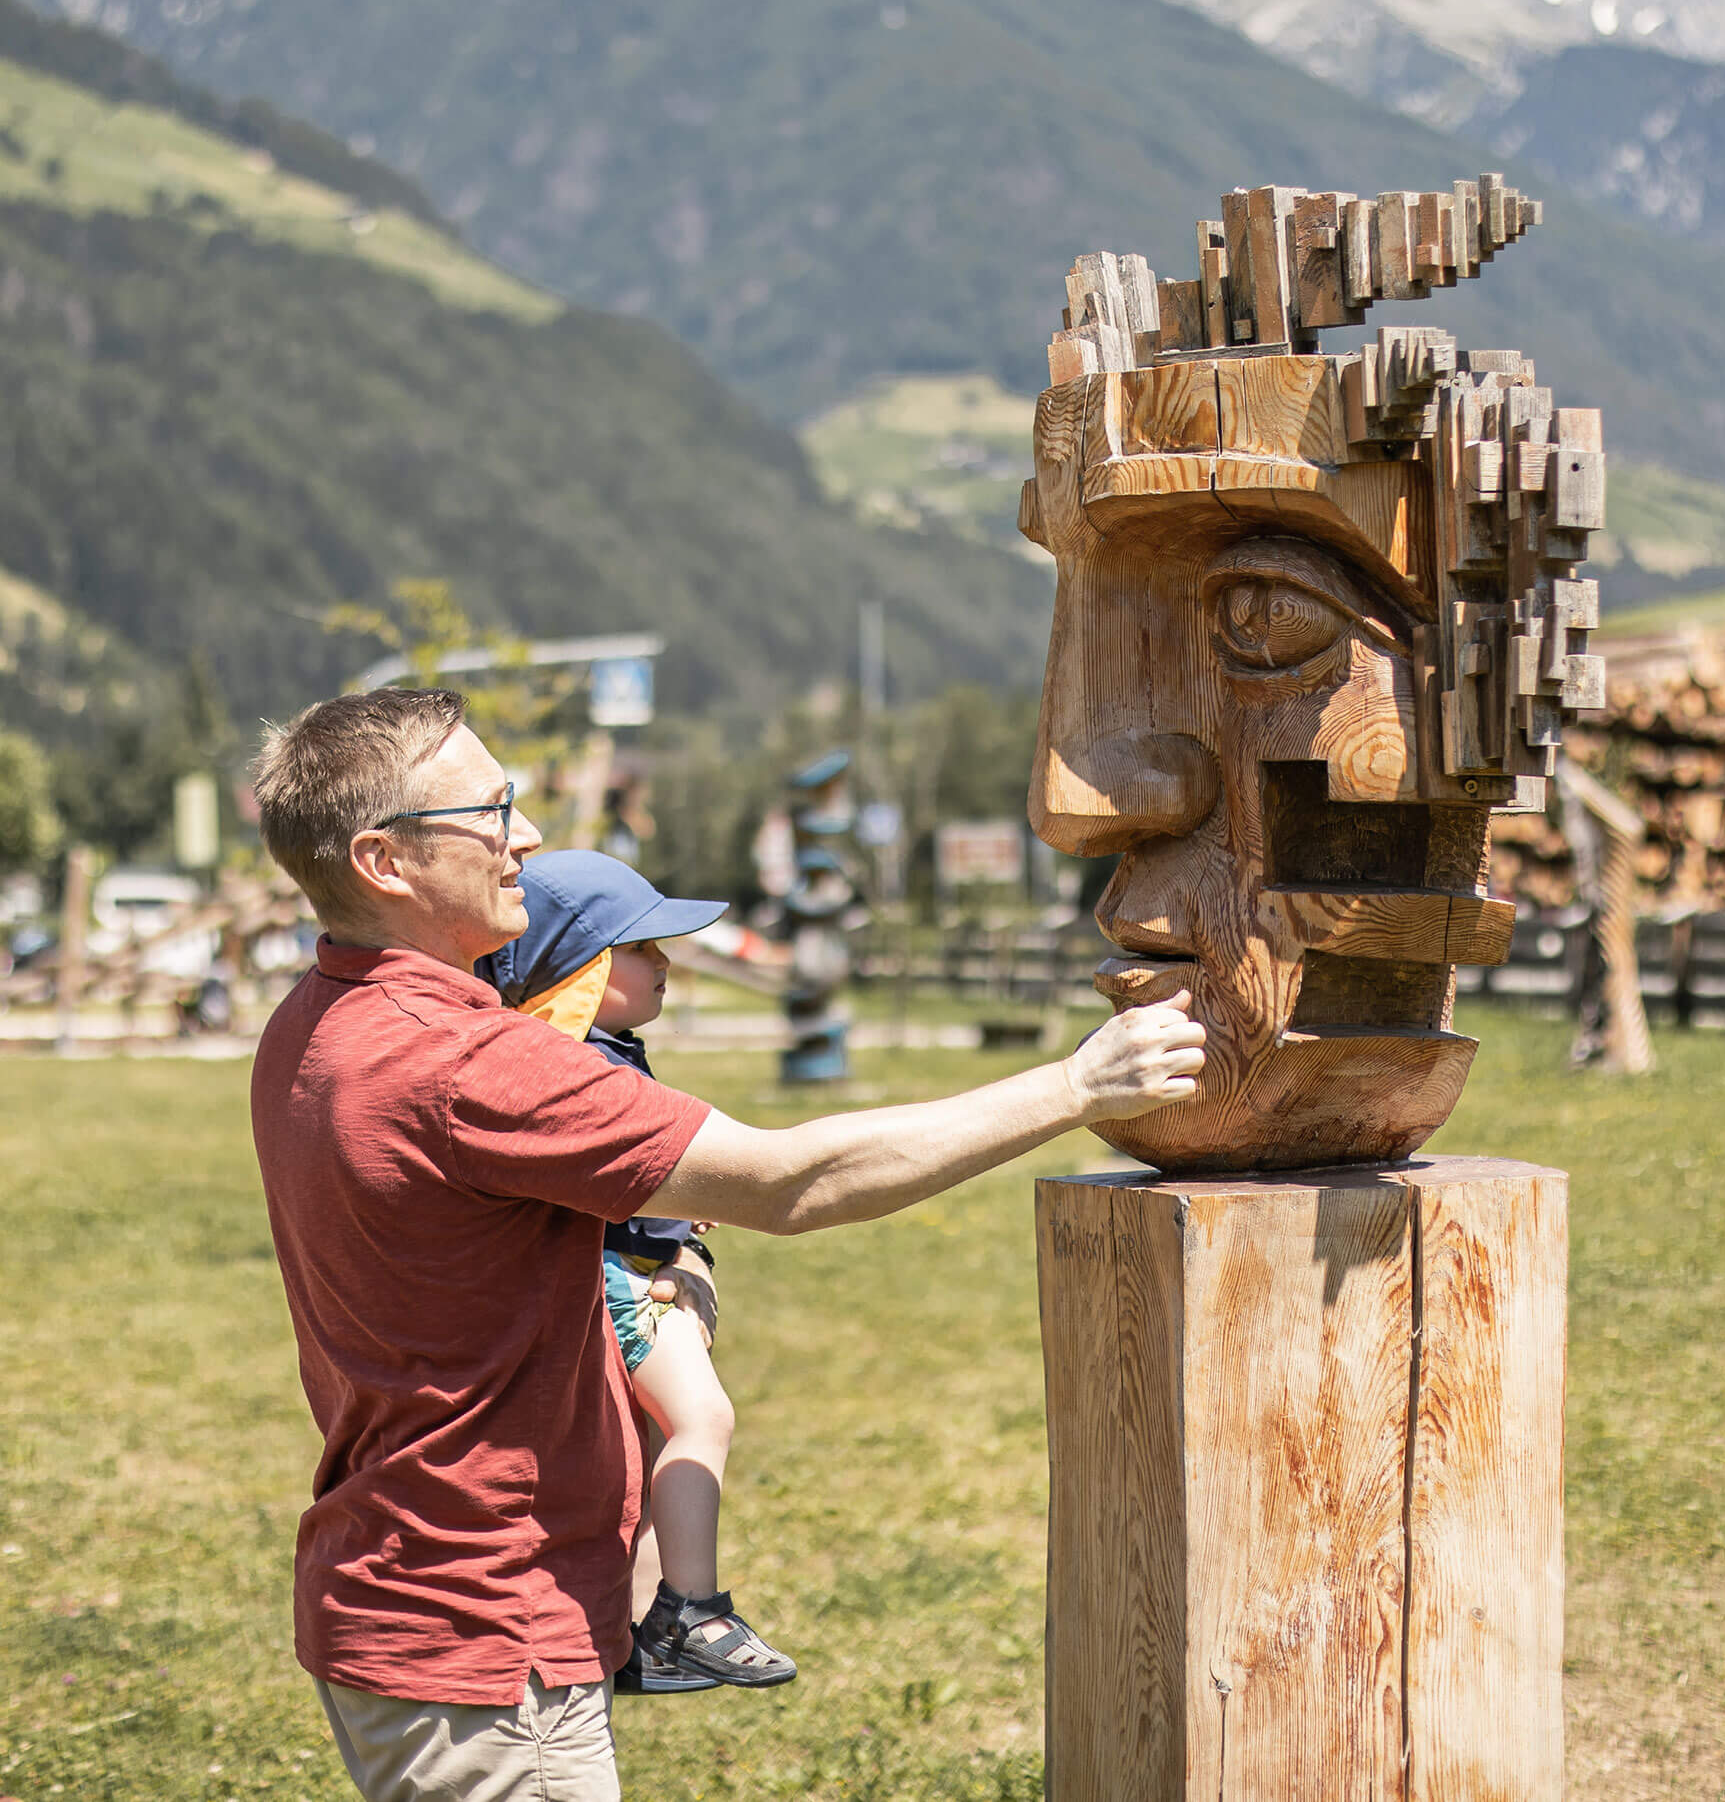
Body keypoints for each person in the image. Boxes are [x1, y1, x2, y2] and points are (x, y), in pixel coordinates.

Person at [248, 688, 1206, 1802]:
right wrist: (1076, 1083)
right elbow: (795, 1182)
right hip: (488, 1629)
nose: (528, 835)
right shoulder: (469, 1064)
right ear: (384, 860)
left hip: (392, 1590)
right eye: (492, 808)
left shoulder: (316, 1020)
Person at [478, 850, 794, 1692]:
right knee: (704, 1420)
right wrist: (675, 1217)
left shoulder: (604, 1048)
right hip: (621, 1276)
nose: (666, 964)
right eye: (643, 949)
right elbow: (615, 1177)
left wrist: (678, 1220)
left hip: (638, 1259)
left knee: (657, 1436)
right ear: (581, 971)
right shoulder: (581, 1066)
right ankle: (694, 1608)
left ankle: (645, 1625)